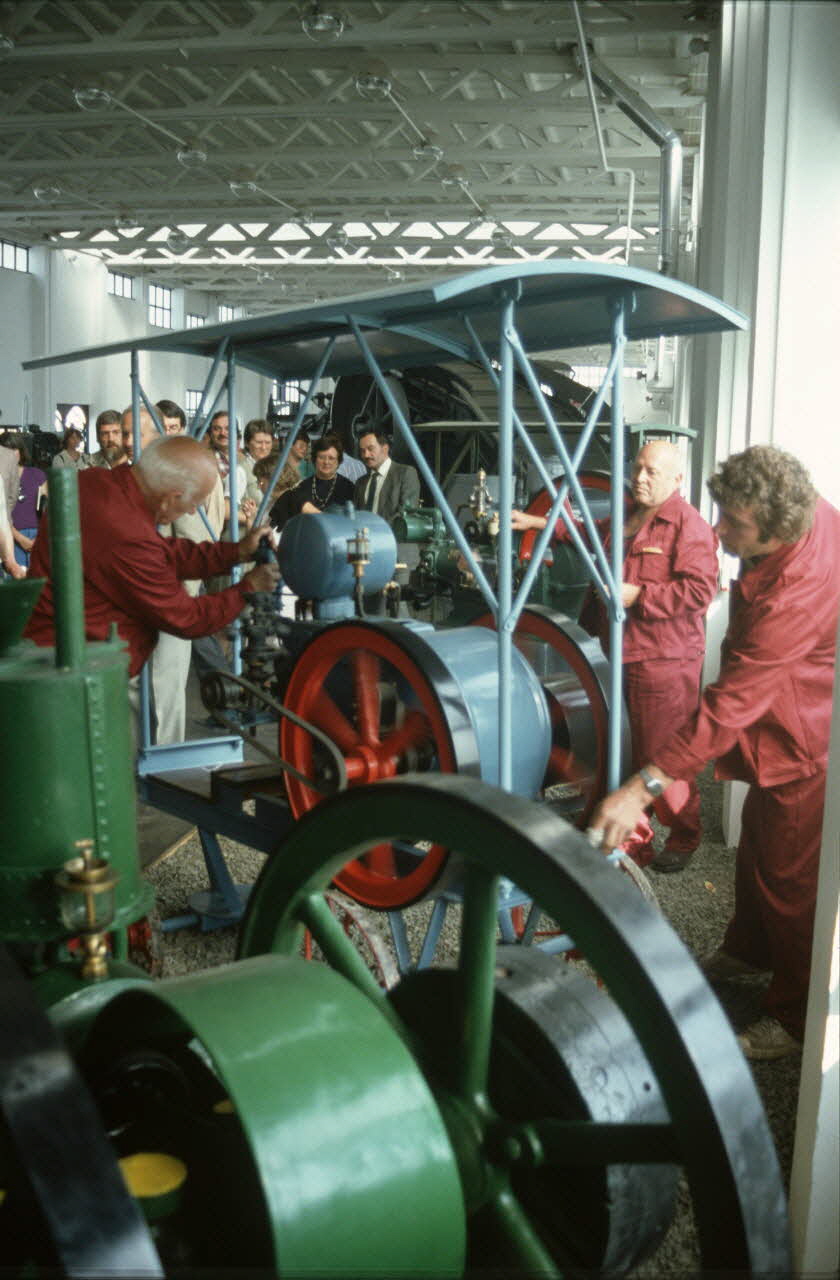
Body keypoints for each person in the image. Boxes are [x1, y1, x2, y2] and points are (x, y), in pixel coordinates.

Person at [589, 445, 840, 1060]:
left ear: (778, 528)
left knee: (791, 876)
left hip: (804, 734)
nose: (720, 530)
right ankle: (750, 953)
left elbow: (730, 704)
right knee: (758, 843)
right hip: (780, 712)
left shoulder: (799, 591)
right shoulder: (800, 513)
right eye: (721, 512)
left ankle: (795, 1017)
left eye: (735, 524)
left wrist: (637, 789)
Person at [513, 440, 719, 868]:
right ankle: (633, 840)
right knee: (622, 748)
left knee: (660, 753)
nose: (640, 479)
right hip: (617, 653)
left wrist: (639, 594)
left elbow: (701, 591)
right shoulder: (627, 516)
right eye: (638, 469)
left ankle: (684, 836)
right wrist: (533, 519)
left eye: (652, 473)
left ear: (677, 480)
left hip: (663, 661)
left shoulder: (689, 525)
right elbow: (584, 528)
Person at [25, 435, 279, 677]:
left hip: (53, 656)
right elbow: (187, 617)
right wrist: (248, 588)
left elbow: (162, 552)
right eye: (193, 504)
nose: (191, 512)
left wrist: (236, 552)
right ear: (171, 498)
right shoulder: (126, 532)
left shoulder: (95, 482)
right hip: (78, 675)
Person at [269, 432, 354, 531]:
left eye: (331, 458)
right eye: (322, 457)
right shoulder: (301, 487)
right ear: (314, 459)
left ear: (338, 461)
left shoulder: (349, 488)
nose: (326, 462)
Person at [353, 429, 420, 525]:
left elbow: (406, 514)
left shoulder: (405, 474)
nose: (366, 455)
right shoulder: (361, 482)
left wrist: (379, 531)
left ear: (385, 449)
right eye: (362, 451)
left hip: (391, 538)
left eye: (370, 449)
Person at [2, 433, 47, 569]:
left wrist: (40, 538)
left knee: (39, 583)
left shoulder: (37, 474)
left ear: (21, 451)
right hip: (11, 538)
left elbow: (49, 509)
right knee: (16, 585)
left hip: (38, 536)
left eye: (15, 449)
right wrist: (20, 539)